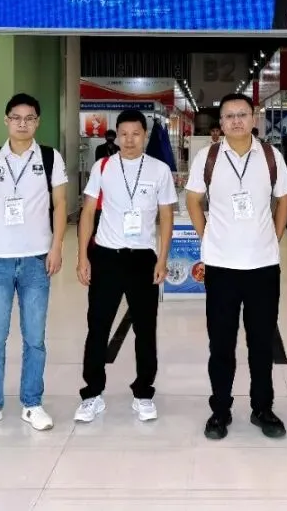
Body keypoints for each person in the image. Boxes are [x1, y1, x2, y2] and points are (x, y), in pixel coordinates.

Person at [185, 93, 287, 440]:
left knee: (261, 343)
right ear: (220, 122)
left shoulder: (271, 156)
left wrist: (275, 235)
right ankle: (220, 409)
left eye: (242, 114)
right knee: (221, 344)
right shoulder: (208, 157)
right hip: (221, 266)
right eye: (229, 115)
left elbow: (285, 198)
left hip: (263, 266)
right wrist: (206, 236)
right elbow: (193, 198)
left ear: (253, 117)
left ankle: (263, 408)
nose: (236, 121)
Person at [0, 93, 68, 435]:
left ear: (37, 122)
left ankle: (32, 403)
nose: (22, 123)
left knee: (34, 337)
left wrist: (56, 247)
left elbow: (60, 203)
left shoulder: (50, 157)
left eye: (29, 118)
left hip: (36, 259)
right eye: (16, 117)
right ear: (6, 120)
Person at [74, 109, 177, 423]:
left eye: (136, 134)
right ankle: (92, 394)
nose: (129, 140)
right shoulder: (103, 166)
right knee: (98, 327)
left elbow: (166, 217)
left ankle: (144, 392)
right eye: (124, 134)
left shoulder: (159, 170)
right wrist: (82, 257)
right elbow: (88, 212)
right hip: (106, 256)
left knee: (145, 329)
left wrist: (162, 259)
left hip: (143, 258)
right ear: (116, 135)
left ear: (145, 136)